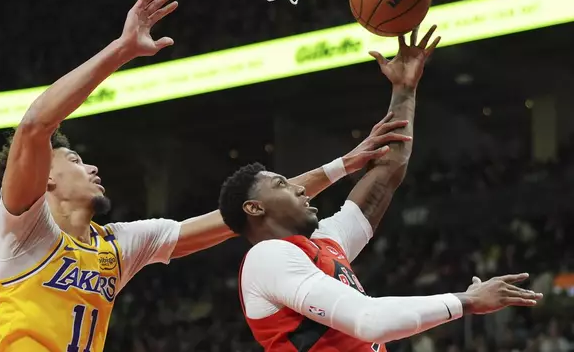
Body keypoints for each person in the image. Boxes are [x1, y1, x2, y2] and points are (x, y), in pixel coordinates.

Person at [0, 0, 413, 352]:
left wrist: (341, 165)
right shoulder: (24, 232)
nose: (92, 166)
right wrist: (122, 50)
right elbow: (36, 125)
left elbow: (241, 212)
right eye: (75, 160)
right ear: (46, 178)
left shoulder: (115, 245)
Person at [218, 26, 543, 351]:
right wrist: (466, 301)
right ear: (254, 208)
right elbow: (370, 321)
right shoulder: (267, 257)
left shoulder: (324, 245)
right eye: (282, 184)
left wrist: (404, 90)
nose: (303, 189)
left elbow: (387, 172)